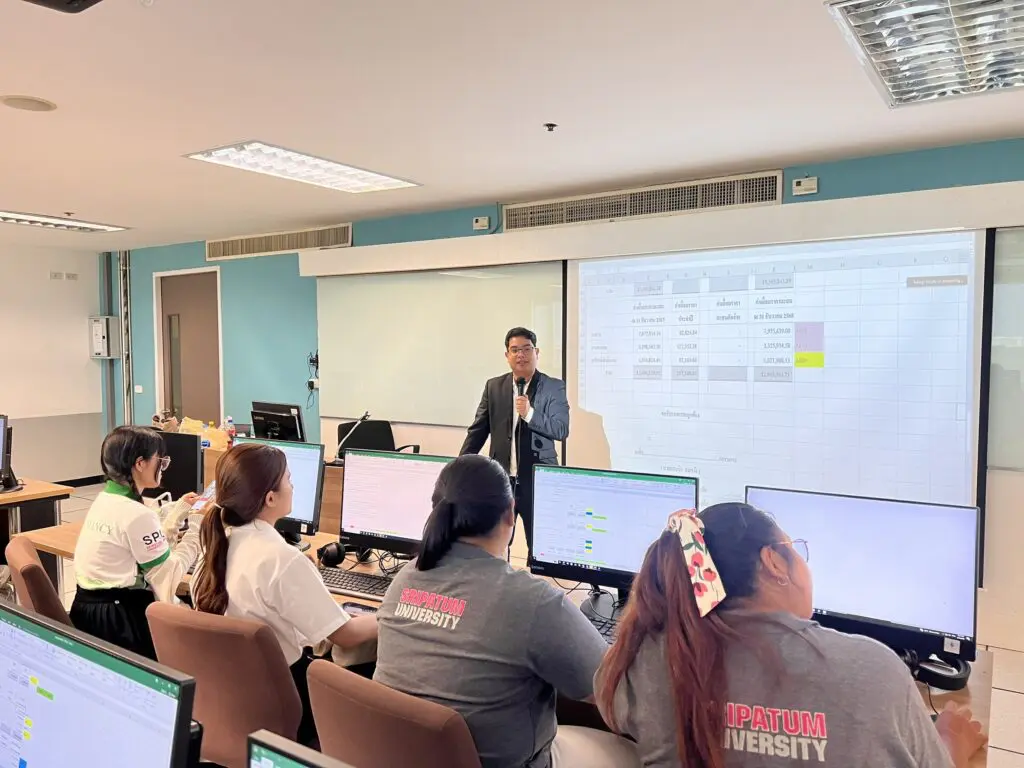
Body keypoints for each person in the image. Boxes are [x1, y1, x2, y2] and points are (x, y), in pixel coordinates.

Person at [595, 502, 987, 768]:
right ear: (774, 562)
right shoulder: (873, 672)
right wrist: (951, 742)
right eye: (796, 548)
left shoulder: (644, 659)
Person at [374, 454, 639, 768]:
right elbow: (615, 690)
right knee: (632, 753)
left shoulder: (405, 577)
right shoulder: (533, 601)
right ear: (511, 514)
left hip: (404, 757)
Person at [191, 442, 378, 745]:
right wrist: (394, 614)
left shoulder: (214, 545)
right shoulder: (281, 559)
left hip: (228, 696)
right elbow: (347, 635)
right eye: (289, 480)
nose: (293, 487)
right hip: (283, 695)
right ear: (270, 498)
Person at [72, 425, 203, 659]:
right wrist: (196, 529)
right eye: (161, 461)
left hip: (87, 612)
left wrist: (178, 513)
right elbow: (168, 575)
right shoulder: (137, 514)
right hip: (119, 621)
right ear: (140, 464)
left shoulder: (105, 499)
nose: (163, 467)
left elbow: (146, 546)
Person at [460, 327, 569, 553]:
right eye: (515, 350)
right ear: (507, 355)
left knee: (540, 547)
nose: (521, 355)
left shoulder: (553, 386)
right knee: (495, 545)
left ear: (536, 352)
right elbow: (479, 430)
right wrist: (460, 466)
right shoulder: (493, 386)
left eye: (526, 349)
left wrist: (530, 414)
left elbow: (561, 429)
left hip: (538, 481)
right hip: (501, 481)